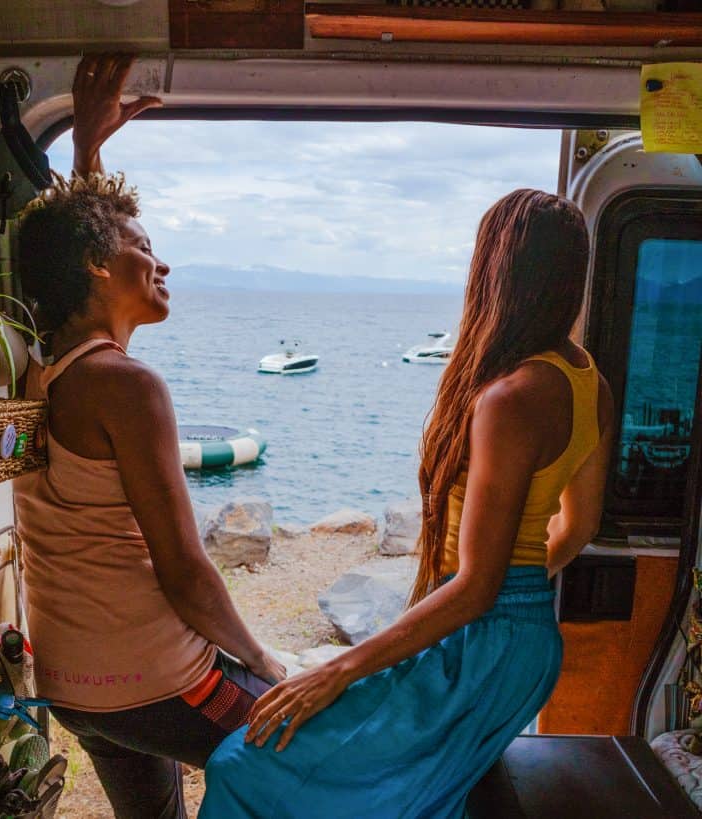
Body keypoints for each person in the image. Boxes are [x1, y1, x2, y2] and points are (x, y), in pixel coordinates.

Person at [199, 189, 615, 819]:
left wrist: (334, 672)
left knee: (242, 767)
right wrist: (521, 599)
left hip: (476, 641)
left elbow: (476, 587)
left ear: (496, 271)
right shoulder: (590, 380)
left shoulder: (512, 396)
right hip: (523, 642)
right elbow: (577, 528)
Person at [11, 55, 286, 819]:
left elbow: (71, 244)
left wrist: (87, 152)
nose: (161, 262)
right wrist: (266, 661)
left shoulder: (47, 372)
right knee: (313, 742)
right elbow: (186, 573)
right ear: (100, 268)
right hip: (158, 677)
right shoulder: (130, 387)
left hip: (75, 689)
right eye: (144, 248)